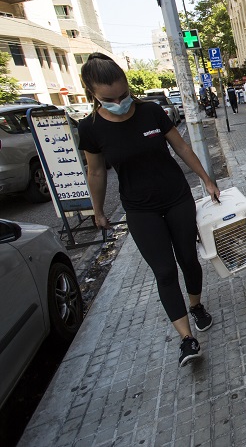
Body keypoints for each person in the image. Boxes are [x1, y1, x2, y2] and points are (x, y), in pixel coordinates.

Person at [77, 53, 221, 367]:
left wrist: (206, 179)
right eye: (109, 99)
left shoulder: (151, 111)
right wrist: (98, 211)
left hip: (177, 198)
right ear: (92, 94)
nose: (120, 102)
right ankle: (187, 339)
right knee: (165, 271)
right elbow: (96, 172)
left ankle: (196, 305)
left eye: (124, 94)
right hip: (140, 210)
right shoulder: (90, 128)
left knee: (188, 259)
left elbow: (181, 147)